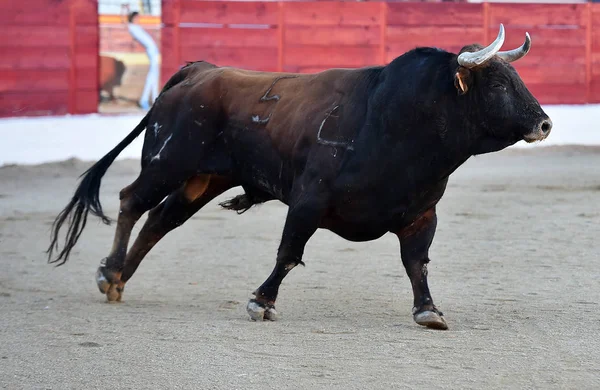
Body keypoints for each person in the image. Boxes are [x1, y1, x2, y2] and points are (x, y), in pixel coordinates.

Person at [122, 5, 160, 110]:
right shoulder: (131, 27)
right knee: (152, 76)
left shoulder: (136, 27)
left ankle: (153, 98)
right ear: (133, 18)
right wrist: (124, 10)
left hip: (153, 51)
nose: (139, 19)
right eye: (137, 18)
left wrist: (127, 10)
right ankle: (146, 99)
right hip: (151, 51)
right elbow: (125, 21)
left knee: (154, 76)